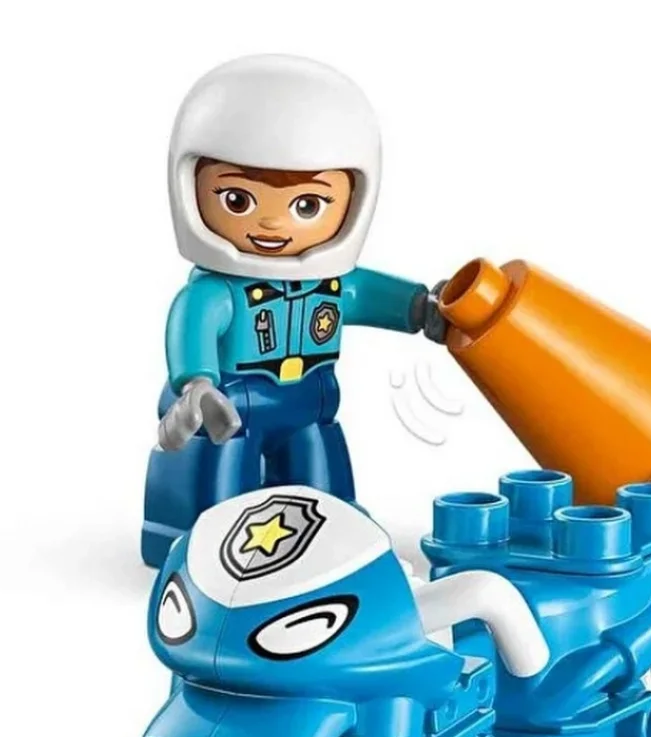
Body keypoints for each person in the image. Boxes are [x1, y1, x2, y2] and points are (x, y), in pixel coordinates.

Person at [141, 54, 445, 568]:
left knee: (325, 494)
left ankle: (331, 542)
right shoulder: (215, 293)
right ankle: (203, 548)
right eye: (238, 199)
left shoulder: (332, 284)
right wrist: (197, 385)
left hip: (310, 403)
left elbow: (373, 296)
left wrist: (422, 307)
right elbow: (192, 329)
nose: (272, 224)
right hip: (231, 407)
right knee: (219, 496)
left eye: (307, 206)